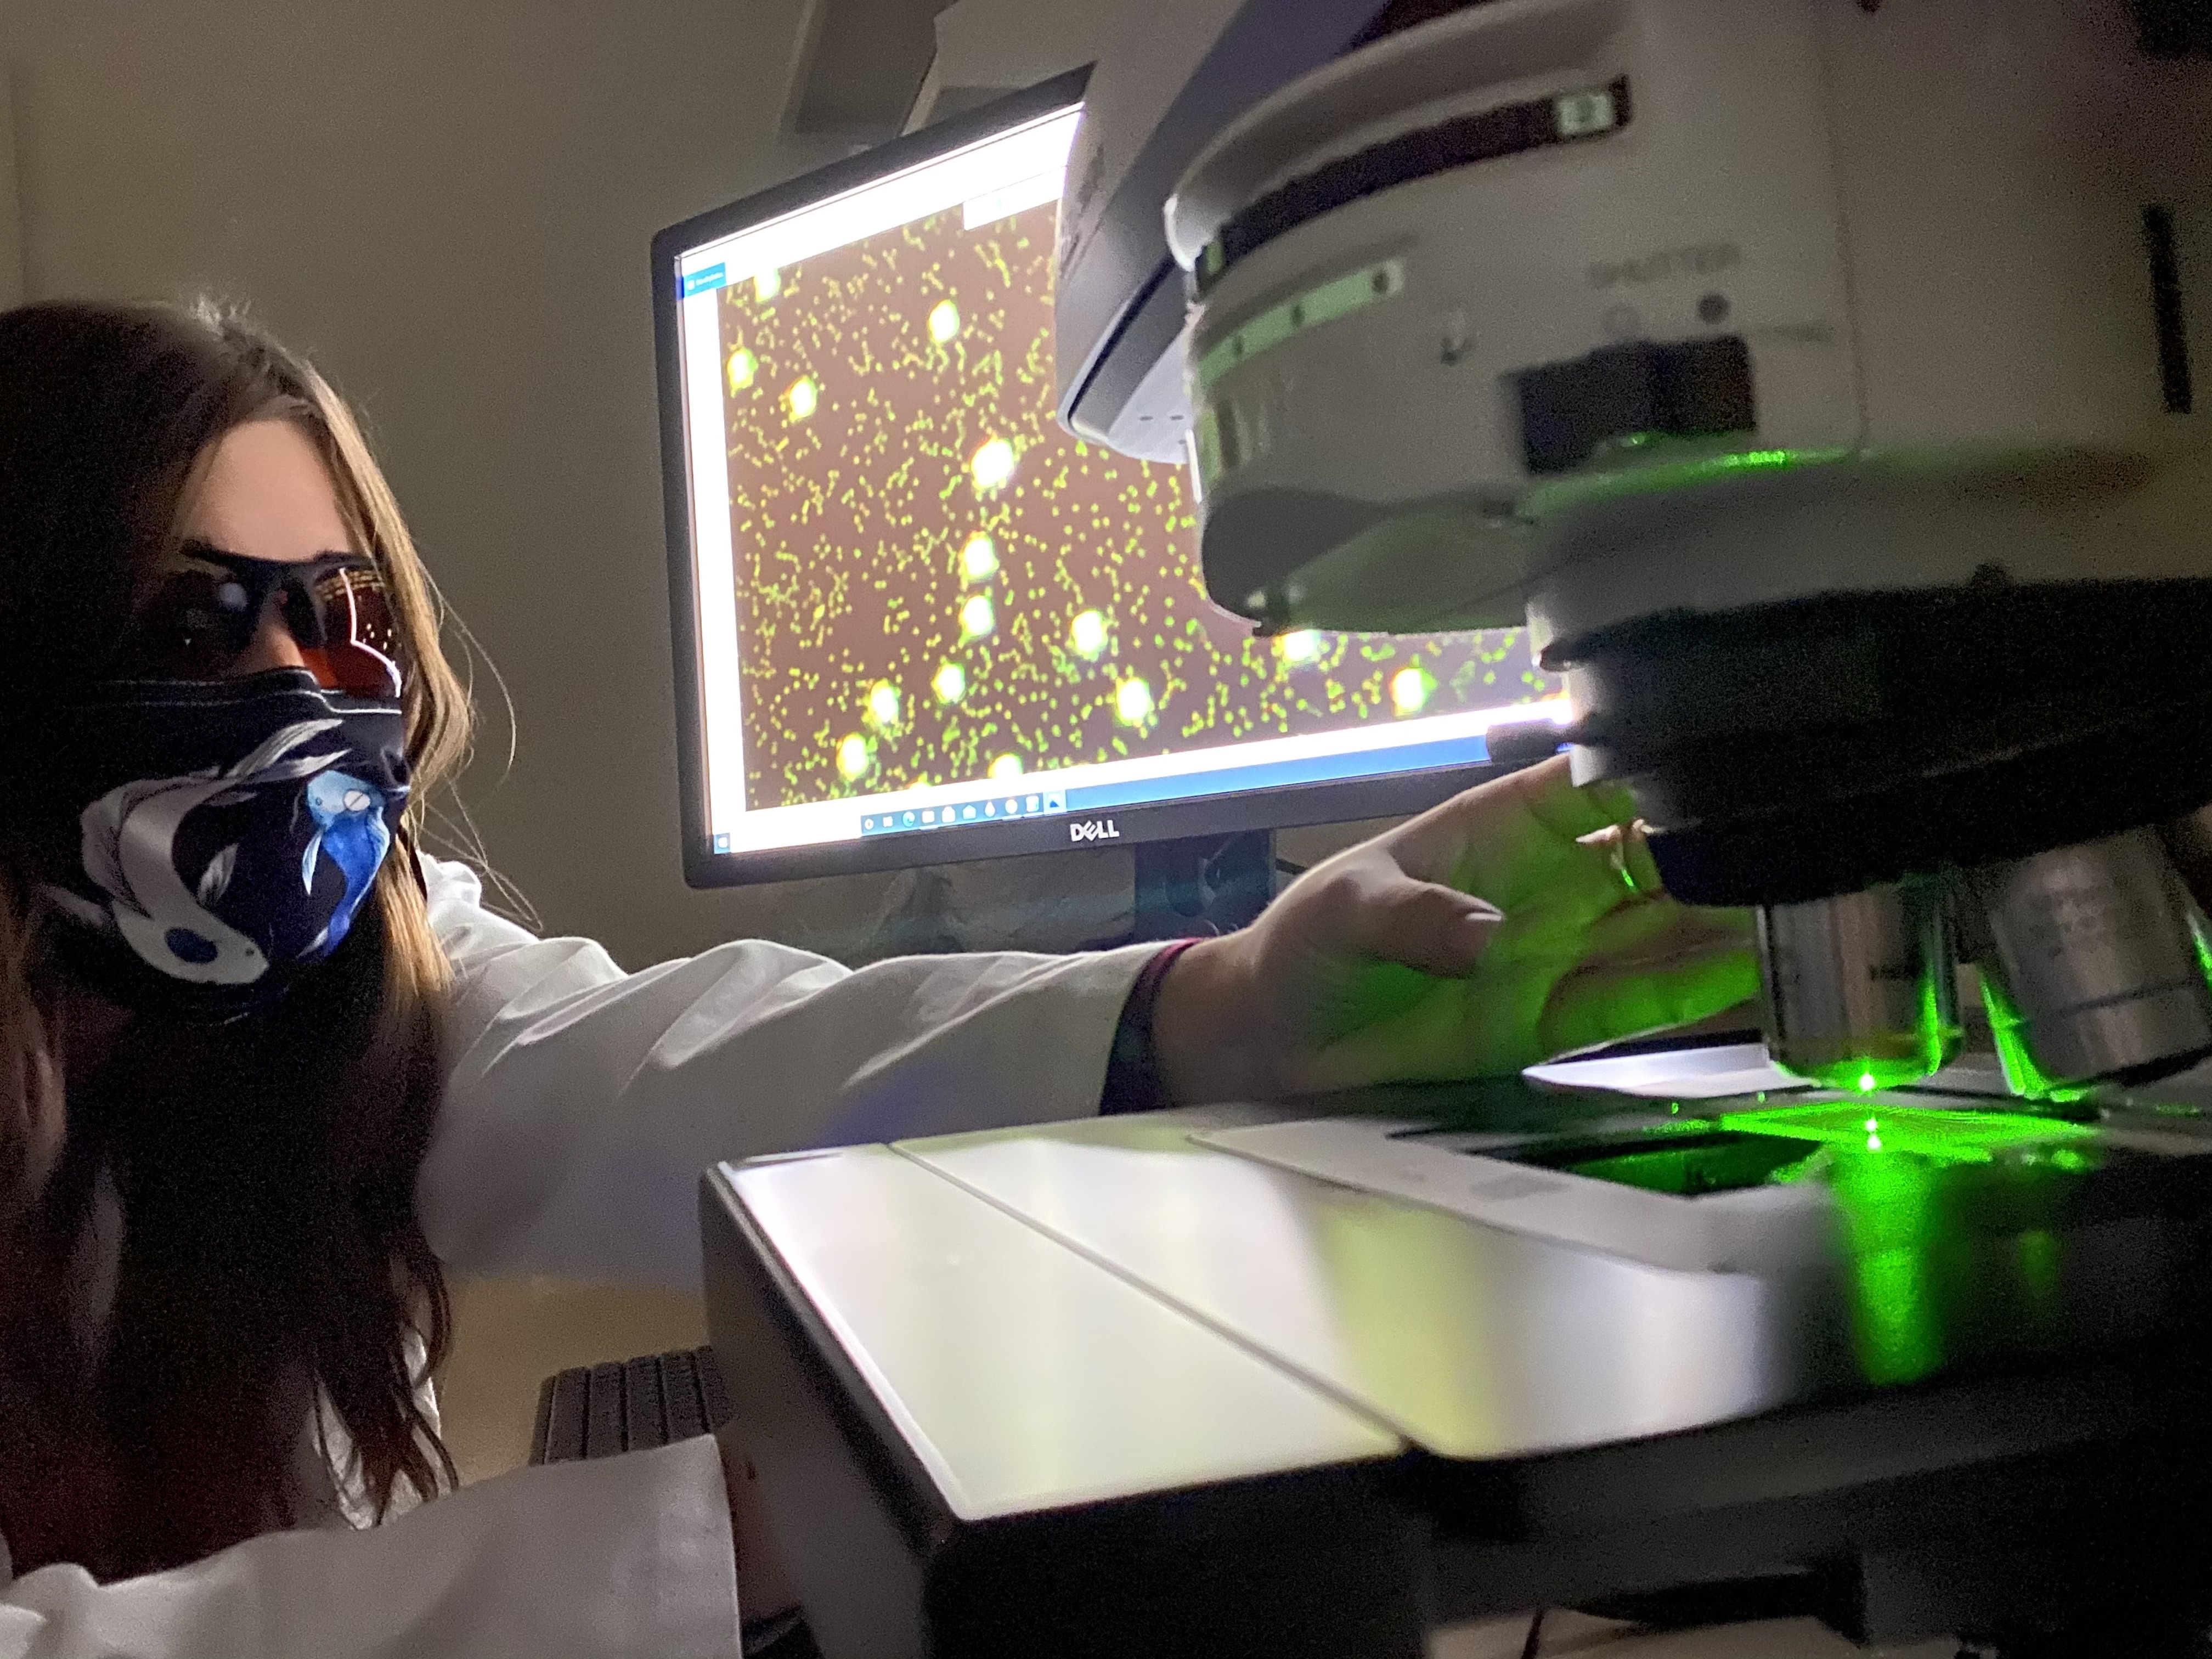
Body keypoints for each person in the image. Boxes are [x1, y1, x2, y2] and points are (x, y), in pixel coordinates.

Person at [0, 298, 1753, 1657]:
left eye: (342, 614)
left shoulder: (312, 992)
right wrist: (755, 1526)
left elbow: (652, 1058)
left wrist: (1211, 1009)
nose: (307, 692)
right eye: (194, 625)